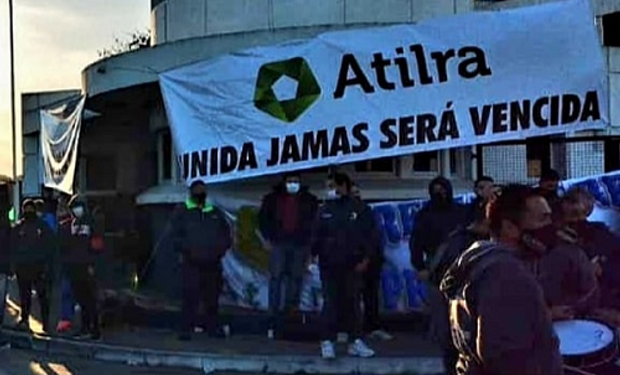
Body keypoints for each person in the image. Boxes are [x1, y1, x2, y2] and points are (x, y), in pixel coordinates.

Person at [440, 185, 563, 375]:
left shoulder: (481, 261)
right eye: (542, 218)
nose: (551, 226)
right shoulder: (505, 273)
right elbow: (503, 354)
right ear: (509, 227)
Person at [311, 172, 375, 359]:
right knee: (330, 303)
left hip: (353, 265)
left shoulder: (360, 208)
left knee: (353, 303)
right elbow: (316, 235)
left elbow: (370, 236)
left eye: (333, 186)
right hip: (329, 264)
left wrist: (366, 259)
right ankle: (327, 341)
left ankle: (355, 341)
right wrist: (312, 256)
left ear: (343, 186)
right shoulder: (323, 210)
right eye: (328, 186)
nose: (330, 190)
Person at [426, 212, 491, 375]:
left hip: (455, 303)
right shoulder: (462, 242)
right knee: (456, 348)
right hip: (452, 303)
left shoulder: (459, 239)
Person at [258, 172, 318, 339]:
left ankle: (291, 312)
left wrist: (310, 243)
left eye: (296, 181)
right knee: (276, 278)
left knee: (296, 278)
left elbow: (314, 222)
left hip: (300, 243)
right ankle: (272, 314)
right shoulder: (272, 198)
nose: (293, 184)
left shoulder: (309, 200)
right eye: (290, 181)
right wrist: (268, 238)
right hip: (278, 242)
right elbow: (263, 219)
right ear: (284, 182)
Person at [173, 181, 232, 341]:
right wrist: (188, 250)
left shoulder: (213, 212)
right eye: (198, 191)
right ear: (191, 193)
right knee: (190, 297)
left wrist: (219, 251)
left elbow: (226, 234)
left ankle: (212, 327)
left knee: (212, 297)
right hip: (192, 262)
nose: (201, 194)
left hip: (212, 262)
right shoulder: (183, 212)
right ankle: (186, 329)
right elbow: (175, 236)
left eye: (203, 191)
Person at [351, 183, 392, 341]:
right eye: (353, 193)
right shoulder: (343, 212)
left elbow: (373, 236)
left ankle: (372, 327)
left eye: (358, 192)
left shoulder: (366, 211)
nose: (356, 196)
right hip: (351, 260)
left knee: (371, 295)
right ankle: (351, 329)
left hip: (370, 259)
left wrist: (368, 258)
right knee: (349, 296)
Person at [410, 176, 467, 280]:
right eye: (437, 191)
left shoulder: (462, 211)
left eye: (443, 190)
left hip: (462, 262)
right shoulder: (425, 214)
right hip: (436, 264)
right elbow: (416, 242)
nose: (441, 194)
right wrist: (421, 267)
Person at [59, 197, 101, 340]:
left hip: (87, 267)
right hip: (75, 267)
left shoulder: (91, 223)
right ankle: (85, 328)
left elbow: (97, 246)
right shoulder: (71, 224)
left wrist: (92, 264)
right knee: (82, 300)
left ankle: (94, 330)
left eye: (78, 207)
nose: (77, 210)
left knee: (90, 300)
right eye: (74, 208)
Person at [11, 199, 54, 333]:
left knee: (42, 296)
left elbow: (50, 246)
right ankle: (24, 320)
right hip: (22, 267)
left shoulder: (42, 226)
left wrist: (48, 265)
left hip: (38, 267)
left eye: (31, 209)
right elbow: (12, 247)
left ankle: (46, 323)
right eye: (26, 209)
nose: (28, 211)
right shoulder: (19, 227)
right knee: (25, 296)